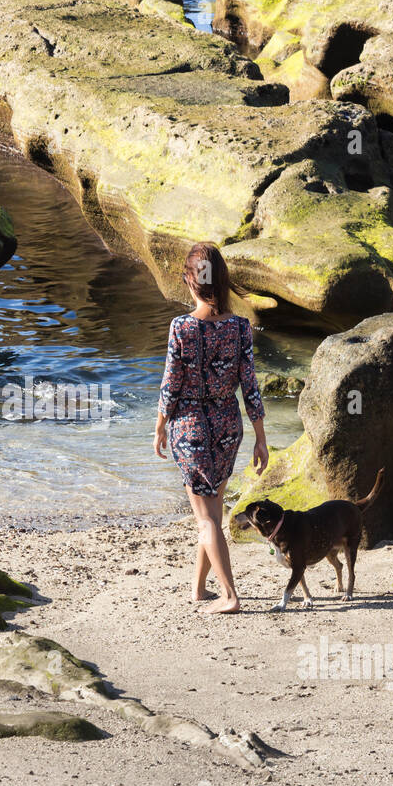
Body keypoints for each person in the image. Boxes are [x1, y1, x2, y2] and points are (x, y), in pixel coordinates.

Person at [154, 242, 268, 614]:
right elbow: (249, 386)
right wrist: (261, 438)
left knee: (205, 519)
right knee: (213, 516)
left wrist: (159, 426)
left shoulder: (181, 327)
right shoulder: (239, 327)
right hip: (227, 427)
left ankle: (230, 596)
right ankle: (199, 587)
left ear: (191, 280)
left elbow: (171, 385)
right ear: (221, 280)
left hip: (190, 429)